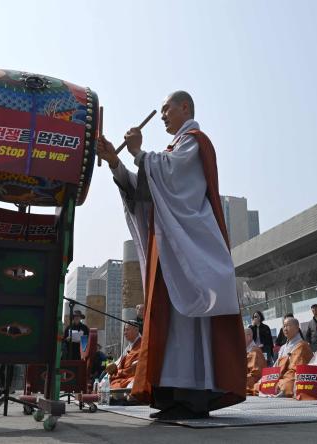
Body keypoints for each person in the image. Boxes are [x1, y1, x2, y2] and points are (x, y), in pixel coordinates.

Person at [97, 91, 245, 420]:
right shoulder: (171, 151)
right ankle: (171, 395)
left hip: (192, 247)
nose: (163, 115)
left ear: (185, 108)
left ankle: (193, 396)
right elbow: (144, 192)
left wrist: (138, 152)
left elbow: (173, 178)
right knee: (170, 321)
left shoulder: (194, 141)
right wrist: (115, 161)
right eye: (162, 110)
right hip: (172, 248)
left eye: (167, 109)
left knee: (190, 324)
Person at [107, 322, 142, 389]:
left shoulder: (142, 345)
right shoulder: (129, 347)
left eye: (127, 330)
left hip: (132, 378)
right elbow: (121, 364)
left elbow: (135, 369)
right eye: (124, 330)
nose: (125, 333)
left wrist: (119, 373)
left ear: (136, 330)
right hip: (123, 377)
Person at [244, 328, 266, 395]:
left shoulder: (254, 351)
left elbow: (256, 376)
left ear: (249, 337)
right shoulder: (246, 350)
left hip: (251, 381)